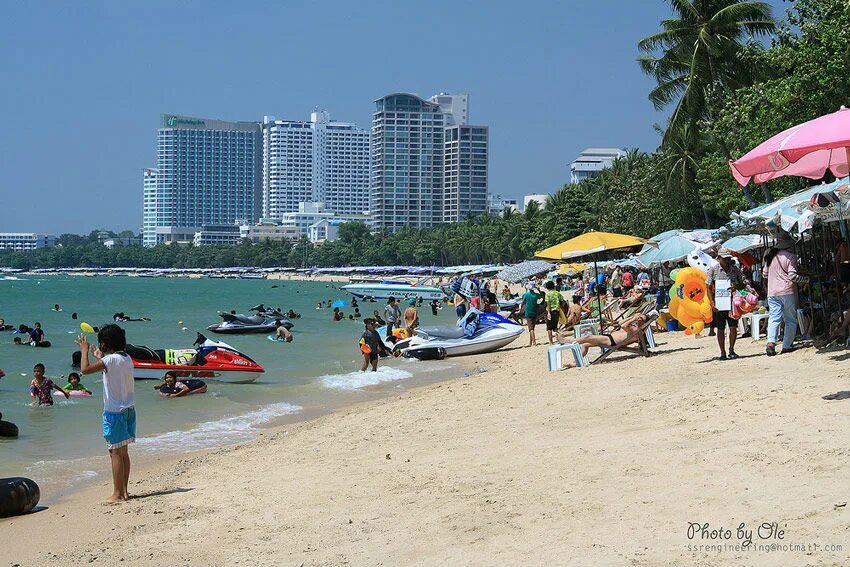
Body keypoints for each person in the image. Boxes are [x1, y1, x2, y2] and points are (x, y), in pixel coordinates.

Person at [78, 324, 135, 504]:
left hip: (114, 413)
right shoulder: (126, 358)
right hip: (128, 410)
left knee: (114, 453)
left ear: (105, 343)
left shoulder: (110, 360)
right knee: (123, 452)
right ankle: (124, 491)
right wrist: (101, 357)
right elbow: (112, 364)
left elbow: (84, 370)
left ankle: (117, 493)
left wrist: (84, 350)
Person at [763, 234, 807, 356]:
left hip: (772, 292)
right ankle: (787, 345)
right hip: (787, 291)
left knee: (774, 318)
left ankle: (771, 343)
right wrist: (805, 279)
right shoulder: (790, 257)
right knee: (790, 320)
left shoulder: (769, 256)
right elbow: (793, 276)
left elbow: (765, 275)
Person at [559, 313, 649, 369]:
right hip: (609, 338)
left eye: (641, 318)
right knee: (586, 345)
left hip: (611, 341)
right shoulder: (635, 327)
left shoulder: (638, 330)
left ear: (645, 322)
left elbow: (623, 326)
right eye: (639, 317)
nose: (639, 319)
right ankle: (575, 362)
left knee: (589, 337)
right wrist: (631, 317)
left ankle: (568, 340)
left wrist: (633, 319)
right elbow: (620, 323)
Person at [706, 249, 748, 360]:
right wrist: (712, 303)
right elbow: (708, 288)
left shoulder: (735, 270)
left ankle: (731, 349)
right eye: (725, 259)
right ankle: (722, 352)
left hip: (733, 303)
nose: (727, 260)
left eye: (729, 258)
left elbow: (744, 284)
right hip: (719, 304)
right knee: (720, 328)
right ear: (719, 258)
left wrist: (736, 287)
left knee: (733, 327)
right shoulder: (713, 270)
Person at [521, 283, 540, 347]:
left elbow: (523, 302)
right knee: (532, 328)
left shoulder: (526, 294)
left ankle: (534, 342)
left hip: (528, 313)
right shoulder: (536, 295)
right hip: (534, 312)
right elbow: (542, 296)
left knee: (531, 329)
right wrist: (539, 290)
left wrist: (521, 309)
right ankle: (530, 342)